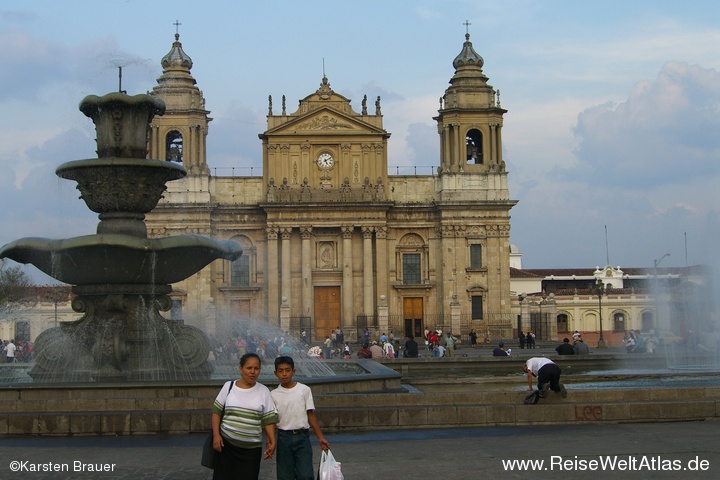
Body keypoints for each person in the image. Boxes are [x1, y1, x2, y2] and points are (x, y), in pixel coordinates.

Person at [211, 353, 278, 480]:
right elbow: (216, 412)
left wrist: (272, 440)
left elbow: (268, 419)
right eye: (249, 368)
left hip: (251, 451)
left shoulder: (264, 391)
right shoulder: (229, 386)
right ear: (240, 369)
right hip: (227, 447)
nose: (252, 372)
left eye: (256, 368)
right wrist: (216, 435)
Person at [271, 356, 330, 480]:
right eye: (280, 371)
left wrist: (320, 437)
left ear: (294, 371)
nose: (284, 374)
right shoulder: (273, 394)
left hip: (302, 437)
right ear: (275, 373)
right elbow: (272, 420)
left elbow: (310, 415)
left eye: (287, 370)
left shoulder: (304, 390)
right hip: (283, 438)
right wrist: (271, 441)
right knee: (285, 475)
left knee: (306, 474)